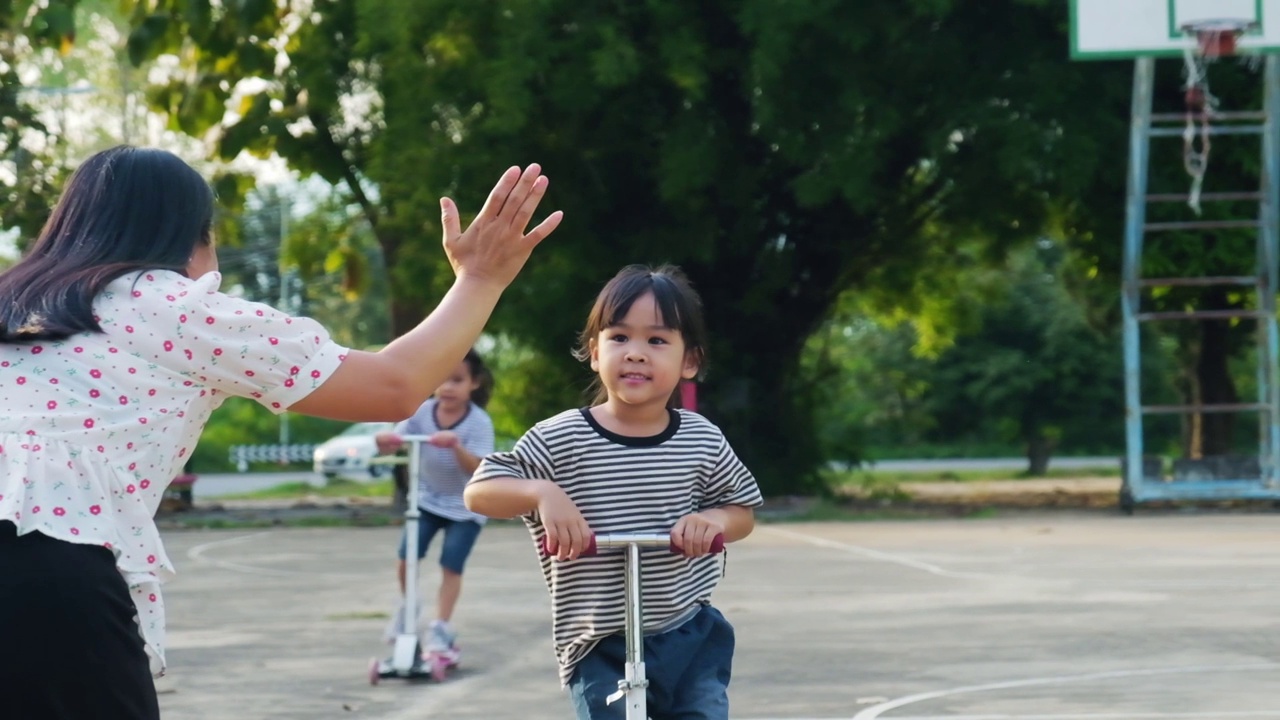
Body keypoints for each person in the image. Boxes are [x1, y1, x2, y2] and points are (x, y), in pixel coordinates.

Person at [0, 145, 561, 720]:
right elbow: (394, 386)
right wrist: (482, 278)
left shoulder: (14, 303)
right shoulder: (173, 307)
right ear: (192, 241)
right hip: (47, 560)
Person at [464, 264, 763, 720]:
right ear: (594, 351)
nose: (636, 354)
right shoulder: (560, 438)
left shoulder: (701, 439)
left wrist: (715, 521)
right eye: (619, 338)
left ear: (690, 361)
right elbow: (480, 492)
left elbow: (741, 510)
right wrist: (542, 492)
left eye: (657, 341)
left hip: (689, 630)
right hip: (598, 640)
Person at [375, 348, 495, 660]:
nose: (448, 387)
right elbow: (395, 441)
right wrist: (384, 442)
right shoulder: (421, 412)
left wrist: (456, 446)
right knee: (406, 558)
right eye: (442, 379)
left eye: (457, 380)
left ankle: (440, 625)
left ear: (474, 384)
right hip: (427, 501)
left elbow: (479, 467)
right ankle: (409, 604)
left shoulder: (479, 423)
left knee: (451, 564)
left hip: (466, 507)